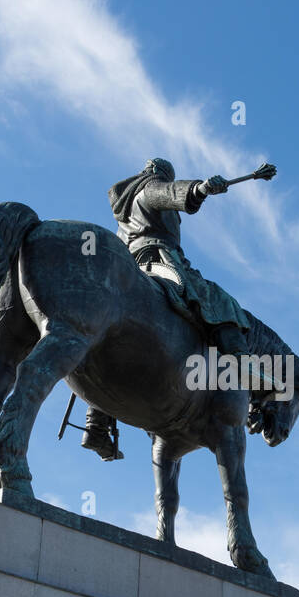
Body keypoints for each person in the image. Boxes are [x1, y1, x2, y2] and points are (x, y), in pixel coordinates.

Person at [80, 158, 256, 460]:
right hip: (158, 259)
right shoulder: (148, 191)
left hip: (129, 262)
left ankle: (96, 422)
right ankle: (237, 356)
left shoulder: (126, 205)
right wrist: (200, 189)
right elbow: (171, 194)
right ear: (159, 174)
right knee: (218, 298)